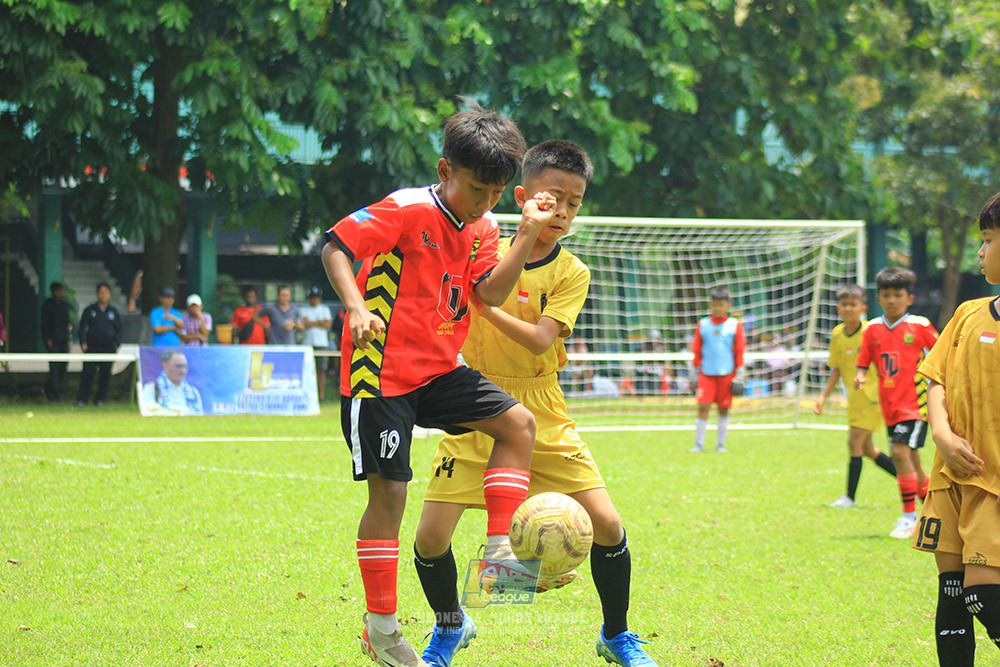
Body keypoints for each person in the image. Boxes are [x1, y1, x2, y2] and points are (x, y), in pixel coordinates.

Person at [413, 140, 658, 667]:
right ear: (522, 197)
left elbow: (540, 341)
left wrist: (481, 303)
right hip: (476, 398)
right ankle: (453, 625)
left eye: (575, 203)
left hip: (541, 407)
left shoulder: (573, 272)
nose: (564, 212)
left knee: (608, 526)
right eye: (553, 199)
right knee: (430, 538)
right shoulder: (484, 245)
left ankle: (616, 635)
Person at [321, 103, 550, 667]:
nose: (486, 202)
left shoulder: (487, 227)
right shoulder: (405, 209)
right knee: (391, 493)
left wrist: (525, 234)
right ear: (445, 169)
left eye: (498, 192)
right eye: (478, 189)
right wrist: (355, 308)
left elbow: (490, 294)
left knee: (518, 424)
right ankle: (382, 630)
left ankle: (500, 554)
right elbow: (335, 247)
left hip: (440, 368)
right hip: (380, 374)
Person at [912, 192, 1000, 666]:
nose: (980, 252)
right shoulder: (968, 313)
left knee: (983, 594)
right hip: (950, 474)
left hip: (993, 481)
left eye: (988, 240)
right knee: (951, 591)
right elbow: (936, 378)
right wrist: (942, 433)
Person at [854, 266, 938, 539]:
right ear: (878, 297)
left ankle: (908, 516)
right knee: (912, 459)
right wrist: (860, 375)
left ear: (909, 299)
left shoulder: (921, 326)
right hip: (889, 406)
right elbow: (864, 358)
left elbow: (940, 357)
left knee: (900, 453)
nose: (892, 300)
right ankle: (936, 510)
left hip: (915, 405)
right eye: (886, 295)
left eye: (897, 295)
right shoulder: (872, 329)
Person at [814, 284, 897, 507]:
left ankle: (849, 498)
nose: (848, 308)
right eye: (844, 304)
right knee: (868, 449)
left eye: (853, 304)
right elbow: (836, 368)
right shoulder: (837, 334)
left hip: (872, 395)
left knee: (854, 442)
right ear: (837, 308)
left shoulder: (872, 331)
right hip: (854, 398)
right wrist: (823, 396)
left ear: (863, 308)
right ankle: (913, 482)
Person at [690, 286, 746, 453]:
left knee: (724, 409)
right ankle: (699, 444)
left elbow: (739, 351)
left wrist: (740, 375)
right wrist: (694, 372)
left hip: (727, 374)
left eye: (721, 305)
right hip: (706, 374)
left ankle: (720, 444)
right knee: (703, 407)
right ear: (710, 305)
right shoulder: (703, 324)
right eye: (715, 305)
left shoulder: (734, 325)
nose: (718, 308)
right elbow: (697, 350)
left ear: (728, 306)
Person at [76, 282, 122, 407]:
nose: (103, 295)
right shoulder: (90, 310)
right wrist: (83, 342)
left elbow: (119, 330)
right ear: (97, 294)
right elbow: (82, 328)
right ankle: (82, 399)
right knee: (88, 374)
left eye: (106, 292)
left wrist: (117, 344)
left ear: (109, 294)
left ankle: (100, 399)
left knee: (105, 375)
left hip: (108, 348)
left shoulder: (113, 312)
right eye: (101, 292)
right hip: (92, 347)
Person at [141, 348, 204, 415]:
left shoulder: (193, 392)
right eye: (178, 366)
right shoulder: (152, 389)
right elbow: (149, 412)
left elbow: (199, 415)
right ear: (165, 367)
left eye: (185, 367)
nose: (183, 371)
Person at [298, 286, 333, 401]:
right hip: (307, 344)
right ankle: (308, 395)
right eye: (312, 297)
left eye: (316, 297)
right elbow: (304, 324)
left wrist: (311, 322)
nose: (314, 300)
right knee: (307, 371)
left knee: (321, 371)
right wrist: (320, 322)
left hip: (322, 343)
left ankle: (321, 396)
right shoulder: (303, 309)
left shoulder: (325, 309)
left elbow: (328, 325)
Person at [41, 281, 73, 402]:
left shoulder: (65, 305)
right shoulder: (47, 305)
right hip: (53, 341)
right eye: (58, 291)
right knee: (54, 368)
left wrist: (69, 340)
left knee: (62, 368)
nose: (60, 293)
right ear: (53, 292)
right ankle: (54, 395)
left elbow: (67, 324)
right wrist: (48, 339)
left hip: (64, 341)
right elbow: (44, 324)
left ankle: (49, 389)